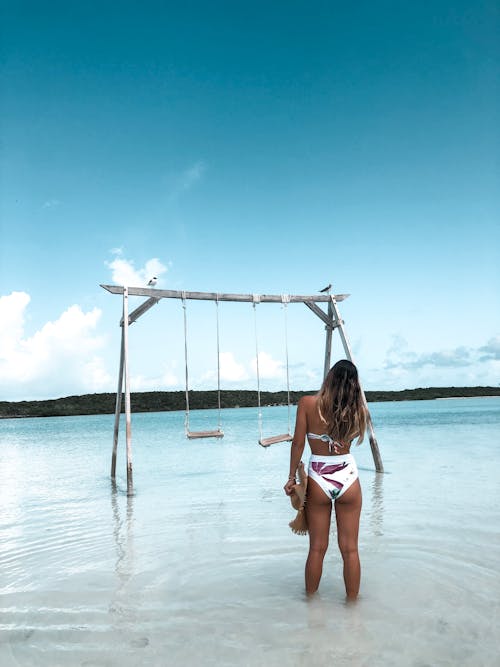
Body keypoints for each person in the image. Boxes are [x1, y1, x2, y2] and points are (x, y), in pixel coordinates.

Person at [284, 359, 367, 598]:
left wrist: (291, 477)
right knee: (350, 550)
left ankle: (311, 605)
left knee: (317, 549)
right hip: (348, 477)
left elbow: (298, 443)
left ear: (329, 378)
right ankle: (352, 608)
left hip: (319, 476)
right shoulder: (358, 409)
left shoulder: (308, 404)